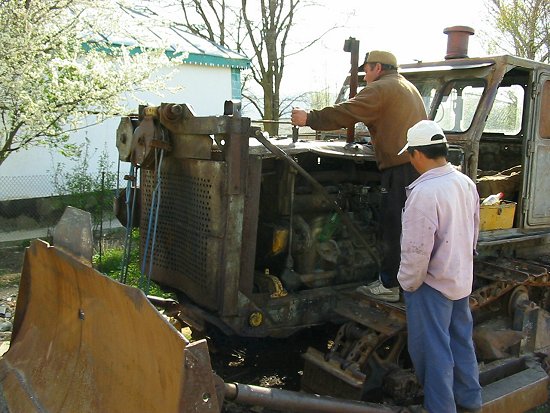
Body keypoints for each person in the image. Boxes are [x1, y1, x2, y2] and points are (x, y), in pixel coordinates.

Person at [291, 50, 427, 302]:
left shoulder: (381, 88)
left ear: (377, 68)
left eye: (366, 70)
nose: (365, 77)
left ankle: (389, 285)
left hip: (399, 168)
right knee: (404, 227)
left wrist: (309, 118)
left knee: (392, 227)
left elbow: (348, 112)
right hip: (414, 166)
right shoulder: (407, 87)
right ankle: (403, 279)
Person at [397, 120, 482, 413]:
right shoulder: (465, 183)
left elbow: (416, 252)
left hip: (431, 286)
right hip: (459, 279)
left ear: (417, 154)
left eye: (410, 155)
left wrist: (408, 284)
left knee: (433, 355)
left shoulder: (424, 193)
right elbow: (474, 233)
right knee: (461, 343)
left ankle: (441, 408)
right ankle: (470, 402)